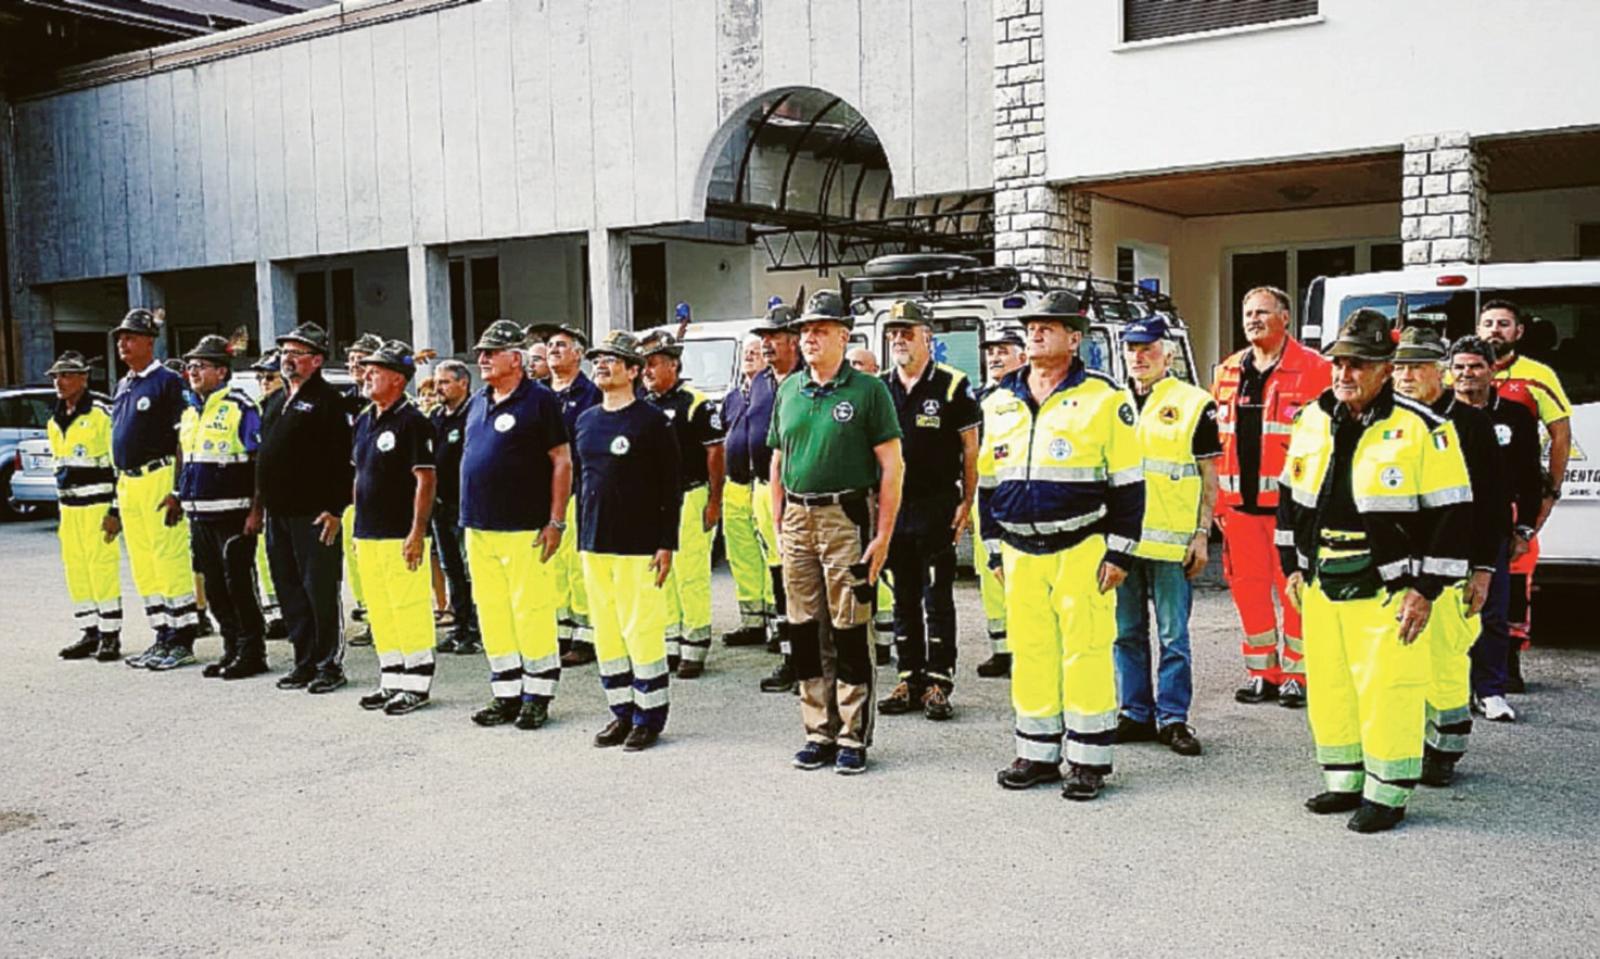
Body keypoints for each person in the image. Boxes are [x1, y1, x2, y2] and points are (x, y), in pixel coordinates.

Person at [1277, 310, 1474, 833]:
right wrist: (1292, 567)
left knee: (1387, 690)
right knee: (1331, 684)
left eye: (1358, 365)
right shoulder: (1312, 419)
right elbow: (1290, 501)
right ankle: (1344, 780)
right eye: (1338, 363)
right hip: (1321, 579)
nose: (1344, 374)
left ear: (1386, 368)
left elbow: (1452, 517)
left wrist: (1426, 590)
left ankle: (1387, 794)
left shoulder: (1424, 429)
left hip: (1387, 585)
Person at [980, 291, 1143, 802]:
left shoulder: (1106, 397)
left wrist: (1119, 551)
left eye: (1049, 326)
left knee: (1087, 652)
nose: (1035, 332)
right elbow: (987, 480)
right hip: (1019, 552)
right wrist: (991, 546)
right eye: (1031, 326)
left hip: (1082, 548)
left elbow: (1129, 481)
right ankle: (1037, 752)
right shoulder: (1000, 399)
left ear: (1075, 337)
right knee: (1030, 653)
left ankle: (1089, 759)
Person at [769, 290, 904, 775]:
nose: (809, 339)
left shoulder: (868, 391)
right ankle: (817, 730)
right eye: (804, 331)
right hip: (798, 519)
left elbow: (892, 466)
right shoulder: (789, 389)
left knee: (849, 626)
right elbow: (778, 460)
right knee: (805, 629)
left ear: (844, 337)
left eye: (820, 330)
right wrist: (778, 518)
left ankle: (852, 734)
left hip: (846, 516)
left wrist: (883, 533)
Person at [1391, 326, 1503, 786]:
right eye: (1399, 366)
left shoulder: (1471, 425)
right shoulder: (1387, 420)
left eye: (1418, 366)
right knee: (1403, 662)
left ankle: (1446, 751)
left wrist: (1483, 570)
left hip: (1454, 567)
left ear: (1442, 372)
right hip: (1401, 568)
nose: (1407, 375)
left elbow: (1493, 505)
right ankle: (1408, 744)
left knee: (1446, 665)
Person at [1212, 286, 1330, 708]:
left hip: (1290, 510)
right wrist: (1217, 506)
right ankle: (1263, 672)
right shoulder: (1228, 370)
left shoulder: (1316, 369)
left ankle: (1299, 674)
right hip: (1238, 510)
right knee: (1249, 591)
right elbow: (1217, 442)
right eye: (1247, 312)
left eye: (1263, 312)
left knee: (1295, 591)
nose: (1253, 319)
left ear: (1285, 318)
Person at [1113, 317, 1219, 757]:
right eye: (1133, 350)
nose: (1139, 357)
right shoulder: (1112, 403)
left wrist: (1202, 534)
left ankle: (1173, 718)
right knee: (1126, 633)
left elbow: (1209, 475)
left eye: (1149, 349)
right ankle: (1135, 713)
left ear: (1168, 355)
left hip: (1173, 543)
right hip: (1124, 543)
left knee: (1174, 636)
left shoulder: (1195, 403)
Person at [460, 321, 572, 731]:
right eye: (481, 352)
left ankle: (537, 694)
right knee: (492, 612)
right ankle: (505, 692)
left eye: (492, 351)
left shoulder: (539, 400)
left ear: (516, 358)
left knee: (531, 610)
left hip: (525, 526)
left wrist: (555, 520)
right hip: (479, 526)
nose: (483, 359)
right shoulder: (478, 401)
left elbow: (561, 460)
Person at [574, 330, 682, 752]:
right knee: (607, 631)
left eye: (613, 360)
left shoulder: (652, 422)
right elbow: (583, 484)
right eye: (598, 359)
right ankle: (620, 711)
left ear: (634, 371)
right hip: (595, 543)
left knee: (642, 629)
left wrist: (665, 542)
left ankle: (648, 716)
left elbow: (669, 487)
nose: (602, 365)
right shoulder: (585, 420)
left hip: (639, 544)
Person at [874, 300, 980, 722]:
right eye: (894, 333)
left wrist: (967, 502)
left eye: (908, 332)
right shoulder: (880, 387)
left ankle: (939, 681)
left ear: (927, 339)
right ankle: (909, 676)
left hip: (937, 504)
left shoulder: (953, 385)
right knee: (902, 596)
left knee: (937, 596)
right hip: (895, 508)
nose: (899, 339)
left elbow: (970, 450)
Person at [1476, 300, 1572, 690]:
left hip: (1516, 497)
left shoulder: (1537, 375)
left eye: (1503, 324)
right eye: (1487, 324)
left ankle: (1509, 660)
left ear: (1518, 332)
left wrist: (1550, 489)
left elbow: (1560, 433)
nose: (1494, 330)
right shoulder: (1459, 371)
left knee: (1515, 579)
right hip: (1468, 497)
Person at [1448, 336, 1542, 725]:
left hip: (1494, 530)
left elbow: (1529, 480)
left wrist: (1524, 530)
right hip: (1446, 528)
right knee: (1447, 613)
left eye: (1476, 366)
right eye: (1460, 367)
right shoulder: (1438, 415)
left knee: (1493, 613)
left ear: (1493, 370)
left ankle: (1490, 691)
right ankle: (1451, 690)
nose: (1468, 374)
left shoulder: (1516, 417)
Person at [258, 322, 353, 694]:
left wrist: (334, 508)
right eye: (285, 353)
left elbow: (344, 461)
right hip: (278, 514)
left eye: (297, 354)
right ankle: (304, 660)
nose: (288, 360)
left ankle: (329, 664)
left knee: (320, 590)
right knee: (290, 589)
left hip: (315, 514)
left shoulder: (328, 401)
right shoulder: (276, 401)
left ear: (316, 360)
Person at [349, 341, 437, 715]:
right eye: (366, 368)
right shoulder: (366, 418)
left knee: (408, 606)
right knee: (381, 610)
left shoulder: (413, 421)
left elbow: (426, 480)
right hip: (368, 532)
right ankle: (391, 678)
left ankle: (416, 684)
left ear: (398, 379)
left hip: (401, 533)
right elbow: (358, 474)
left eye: (376, 369)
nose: (367, 374)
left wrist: (417, 532)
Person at [108, 308, 198, 671]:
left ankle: (182, 635)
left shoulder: (168, 381)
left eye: (130, 337)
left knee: (169, 557)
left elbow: (183, 439)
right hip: (129, 481)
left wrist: (179, 489)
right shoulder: (124, 384)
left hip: (159, 477)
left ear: (149, 341)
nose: (123, 344)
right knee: (144, 562)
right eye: (120, 338)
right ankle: (161, 631)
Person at [177, 335, 268, 679]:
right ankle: (231, 647)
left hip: (233, 514)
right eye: (190, 366)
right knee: (214, 586)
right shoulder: (189, 410)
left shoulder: (239, 406)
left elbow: (258, 460)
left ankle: (252, 651)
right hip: (200, 514)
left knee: (238, 585)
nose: (193, 371)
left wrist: (257, 511)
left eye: (201, 366)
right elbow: (185, 458)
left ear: (222, 371)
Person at [47, 351, 124, 663]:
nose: (59, 382)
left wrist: (115, 511)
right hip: (69, 508)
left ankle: (110, 635)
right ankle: (89, 630)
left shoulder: (101, 414)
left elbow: (119, 465)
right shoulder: (55, 419)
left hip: (97, 506)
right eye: (55, 376)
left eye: (65, 375)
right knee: (76, 570)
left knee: (102, 569)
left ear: (83, 378)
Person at [747, 305, 806, 693]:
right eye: (764, 338)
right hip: (763, 491)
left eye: (775, 337)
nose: (766, 344)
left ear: (794, 340)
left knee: (800, 580)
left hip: (799, 495)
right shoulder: (761, 381)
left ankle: (808, 660)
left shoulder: (806, 380)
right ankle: (790, 656)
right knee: (777, 578)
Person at [535, 322, 602, 666]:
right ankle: (559, 630)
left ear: (579, 354)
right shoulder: (538, 393)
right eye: (550, 346)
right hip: (542, 494)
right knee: (551, 565)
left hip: (579, 491)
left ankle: (585, 636)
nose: (553, 350)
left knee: (576, 565)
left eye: (562, 345)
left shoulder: (591, 394)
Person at [973, 324, 1025, 678]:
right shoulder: (977, 398)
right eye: (991, 350)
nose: (994, 356)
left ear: (1022, 356)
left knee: (1023, 575)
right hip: (984, 496)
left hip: (1020, 498)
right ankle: (1001, 648)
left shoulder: (1028, 395)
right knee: (989, 573)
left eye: (1003, 350)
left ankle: (1026, 647)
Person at [718, 333, 773, 647]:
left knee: (771, 553)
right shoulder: (733, 396)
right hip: (736, 485)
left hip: (763, 484)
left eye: (756, 351)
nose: (750, 355)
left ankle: (776, 621)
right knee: (741, 555)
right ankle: (752, 622)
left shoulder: (771, 390)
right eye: (747, 352)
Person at [845, 344, 898, 663]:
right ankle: (864, 638)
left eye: (859, 364)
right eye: (849, 363)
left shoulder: (880, 400)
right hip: (856, 503)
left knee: (884, 571)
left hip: (882, 499)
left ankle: (884, 641)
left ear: (875, 369)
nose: (853, 369)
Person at [430, 359, 481, 656]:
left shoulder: (473, 414)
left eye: (445, 382)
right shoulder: (437, 417)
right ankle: (459, 626)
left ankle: (474, 629)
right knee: (452, 569)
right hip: (440, 505)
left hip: (466, 505)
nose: (439, 388)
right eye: (437, 382)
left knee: (469, 569)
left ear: (463, 383)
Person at [340, 333, 384, 646]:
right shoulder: (345, 399)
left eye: (362, 359)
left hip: (377, 490)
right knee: (355, 558)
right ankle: (368, 612)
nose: (355, 365)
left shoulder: (380, 400)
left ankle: (381, 616)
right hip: (347, 490)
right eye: (352, 359)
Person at [249, 349, 287, 640]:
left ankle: (287, 613)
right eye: (260, 376)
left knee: (286, 560)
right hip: (264, 495)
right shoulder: (261, 407)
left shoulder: (286, 406)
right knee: (265, 557)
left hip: (286, 497)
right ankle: (275, 612)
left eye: (270, 376)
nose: (264, 381)